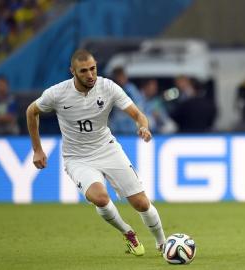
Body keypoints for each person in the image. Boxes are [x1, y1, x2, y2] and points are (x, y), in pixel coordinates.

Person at [26, 49, 165, 256]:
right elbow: (31, 111)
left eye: (93, 69)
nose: (90, 75)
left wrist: (143, 126)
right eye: (84, 71)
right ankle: (128, 233)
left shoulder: (107, 87)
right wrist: (37, 149)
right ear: (72, 71)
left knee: (141, 203)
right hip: (77, 158)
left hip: (107, 149)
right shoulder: (57, 93)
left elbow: (138, 114)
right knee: (99, 198)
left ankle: (162, 243)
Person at [109, 66, 143, 134]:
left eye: (121, 76)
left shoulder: (131, 90)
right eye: (118, 77)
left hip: (131, 129)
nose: (120, 79)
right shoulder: (112, 90)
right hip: (116, 129)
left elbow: (140, 106)